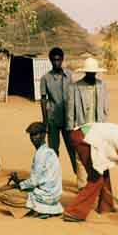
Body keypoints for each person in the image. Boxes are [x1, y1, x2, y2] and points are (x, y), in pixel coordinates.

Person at [62, 122, 118, 222]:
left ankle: (106, 207)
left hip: (82, 135)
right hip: (83, 139)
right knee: (96, 179)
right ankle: (74, 212)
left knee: (104, 174)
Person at [66, 57, 109, 191]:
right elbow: (70, 109)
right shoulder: (75, 87)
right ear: (85, 73)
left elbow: (105, 108)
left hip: (98, 127)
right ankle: (82, 186)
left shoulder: (101, 85)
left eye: (93, 73)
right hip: (81, 126)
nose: (92, 75)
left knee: (97, 156)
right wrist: (70, 128)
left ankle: (96, 185)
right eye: (89, 73)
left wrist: (104, 126)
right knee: (80, 157)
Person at [5, 122, 63, 219]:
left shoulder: (41, 154)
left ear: (43, 135)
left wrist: (19, 185)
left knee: (5, 193)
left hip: (45, 196)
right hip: (54, 196)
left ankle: (37, 209)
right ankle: (46, 210)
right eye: (31, 135)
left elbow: (34, 181)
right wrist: (18, 180)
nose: (33, 138)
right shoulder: (49, 151)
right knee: (15, 187)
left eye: (36, 134)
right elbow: (40, 178)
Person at [40, 47, 77, 175]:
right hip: (53, 120)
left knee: (73, 150)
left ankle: (80, 181)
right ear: (50, 60)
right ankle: (53, 179)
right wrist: (45, 122)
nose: (56, 62)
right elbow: (43, 100)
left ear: (62, 60)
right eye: (54, 60)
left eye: (59, 59)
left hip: (68, 119)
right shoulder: (45, 78)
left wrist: (75, 118)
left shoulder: (69, 76)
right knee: (53, 151)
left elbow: (74, 96)